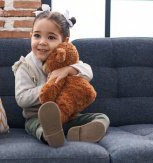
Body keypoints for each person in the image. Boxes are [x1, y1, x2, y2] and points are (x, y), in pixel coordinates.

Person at [12, 4, 110, 148]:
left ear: (64, 42)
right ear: (31, 35)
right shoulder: (25, 65)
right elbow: (21, 99)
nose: (42, 42)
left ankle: (79, 133)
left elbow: (88, 72)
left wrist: (68, 70)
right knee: (34, 126)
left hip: (68, 116)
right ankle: (49, 135)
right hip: (38, 117)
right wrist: (49, 86)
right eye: (37, 35)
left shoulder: (66, 60)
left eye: (51, 37)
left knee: (102, 117)